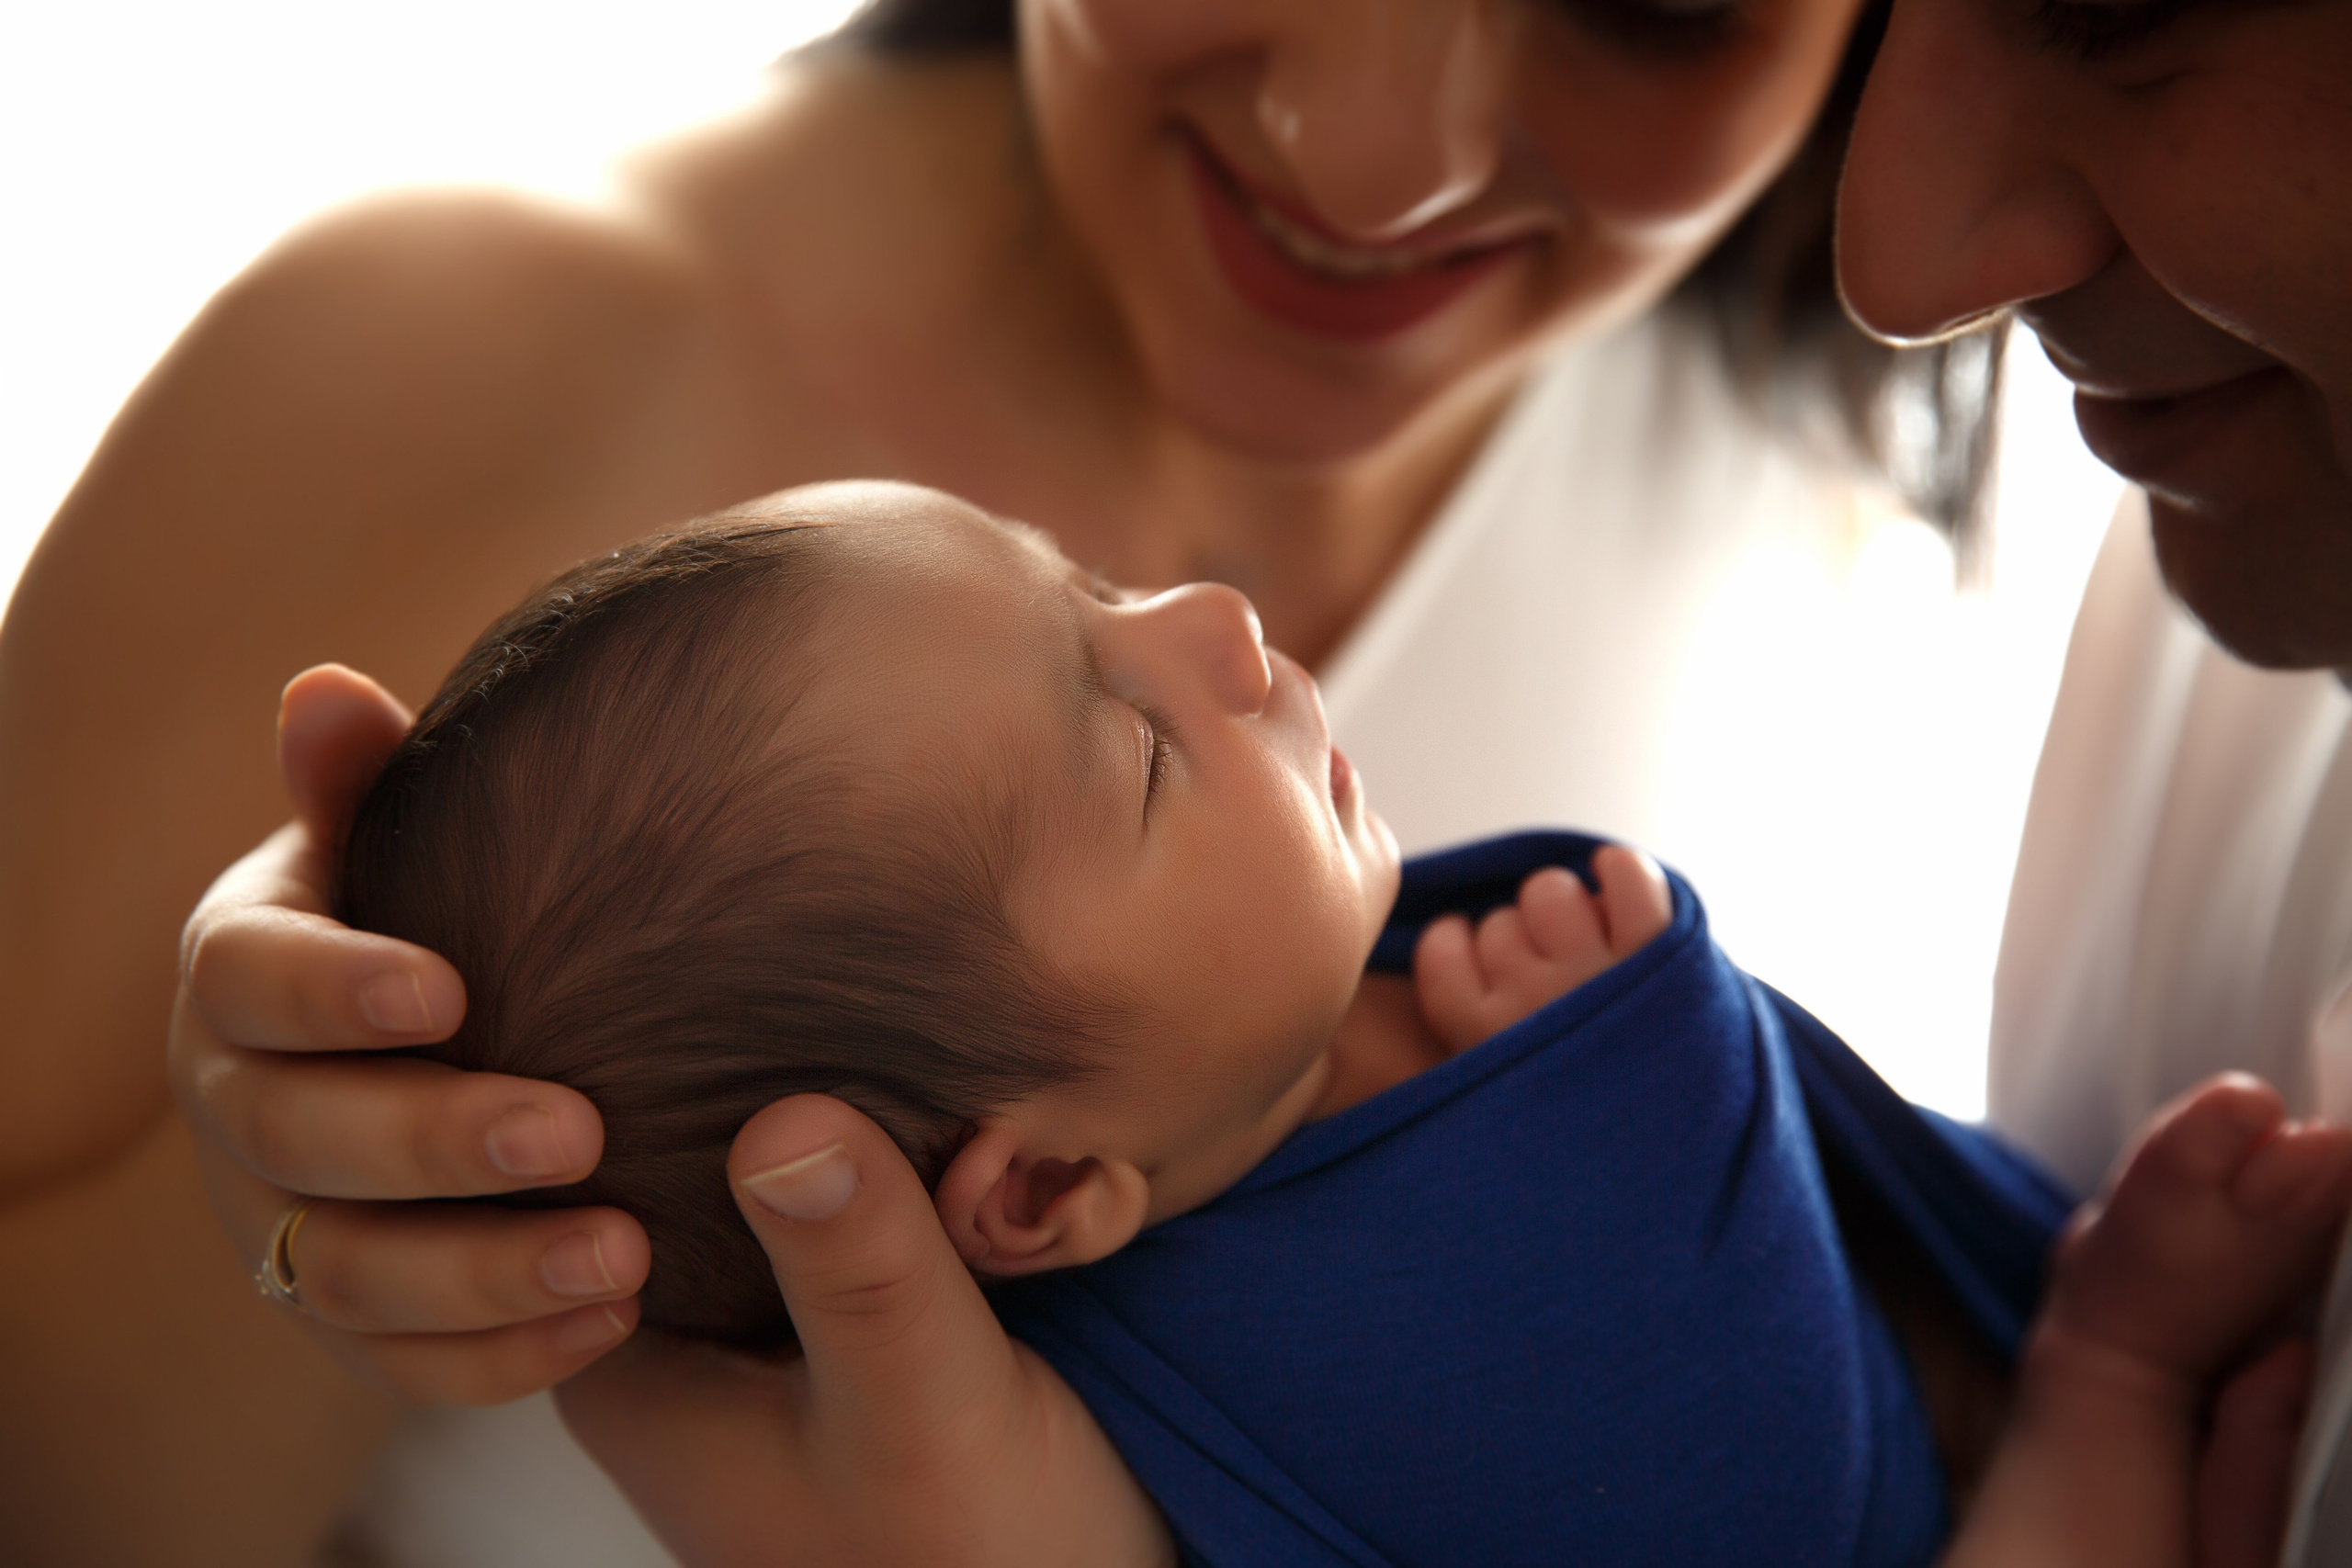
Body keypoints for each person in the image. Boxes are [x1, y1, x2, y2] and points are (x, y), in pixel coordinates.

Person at [0, 0, 2027, 1561]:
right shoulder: (456, 355)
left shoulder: (1796, 428)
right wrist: (302, 1212)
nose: (1373, 157)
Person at [338, 479, 2348, 1567]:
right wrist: (1620, 1084)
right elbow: (1700, 1442)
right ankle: (2106, 1368)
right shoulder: (1096, 1428)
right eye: (1131, 749)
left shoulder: (1315, 1017)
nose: (1210, 624)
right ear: (1032, 1187)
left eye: (1093, 585)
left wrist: (1576, 1052)